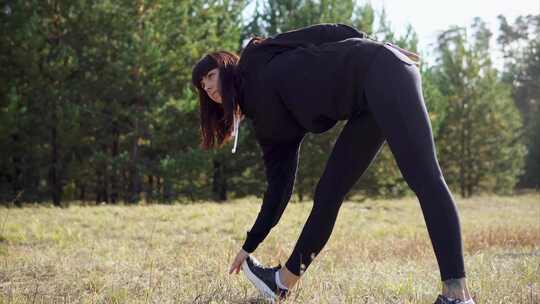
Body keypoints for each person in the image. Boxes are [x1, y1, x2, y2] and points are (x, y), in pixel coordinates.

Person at [191, 23, 475, 304]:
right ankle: (281, 284)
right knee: (328, 192)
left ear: (227, 67)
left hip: (382, 68)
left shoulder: (256, 56)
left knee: (425, 178)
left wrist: (373, 43)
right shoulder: (268, 129)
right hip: (365, 105)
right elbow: (278, 190)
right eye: (202, 86)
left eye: (210, 76)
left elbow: (323, 32)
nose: (208, 88)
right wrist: (250, 244)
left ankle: (457, 295)